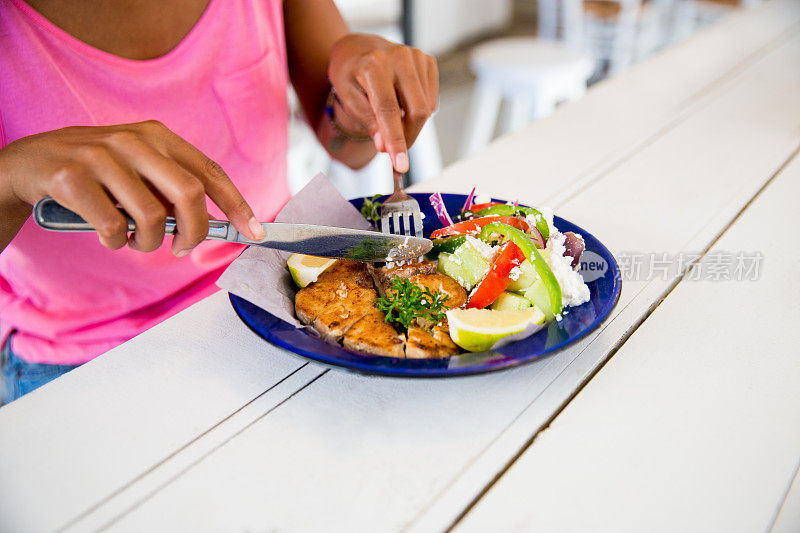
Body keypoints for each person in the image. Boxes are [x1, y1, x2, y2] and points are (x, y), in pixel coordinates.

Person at [0, 0, 439, 403]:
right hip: (80, 366)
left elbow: (346, 146)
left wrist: (355, 109)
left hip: (275, 305)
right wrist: (11, 175)